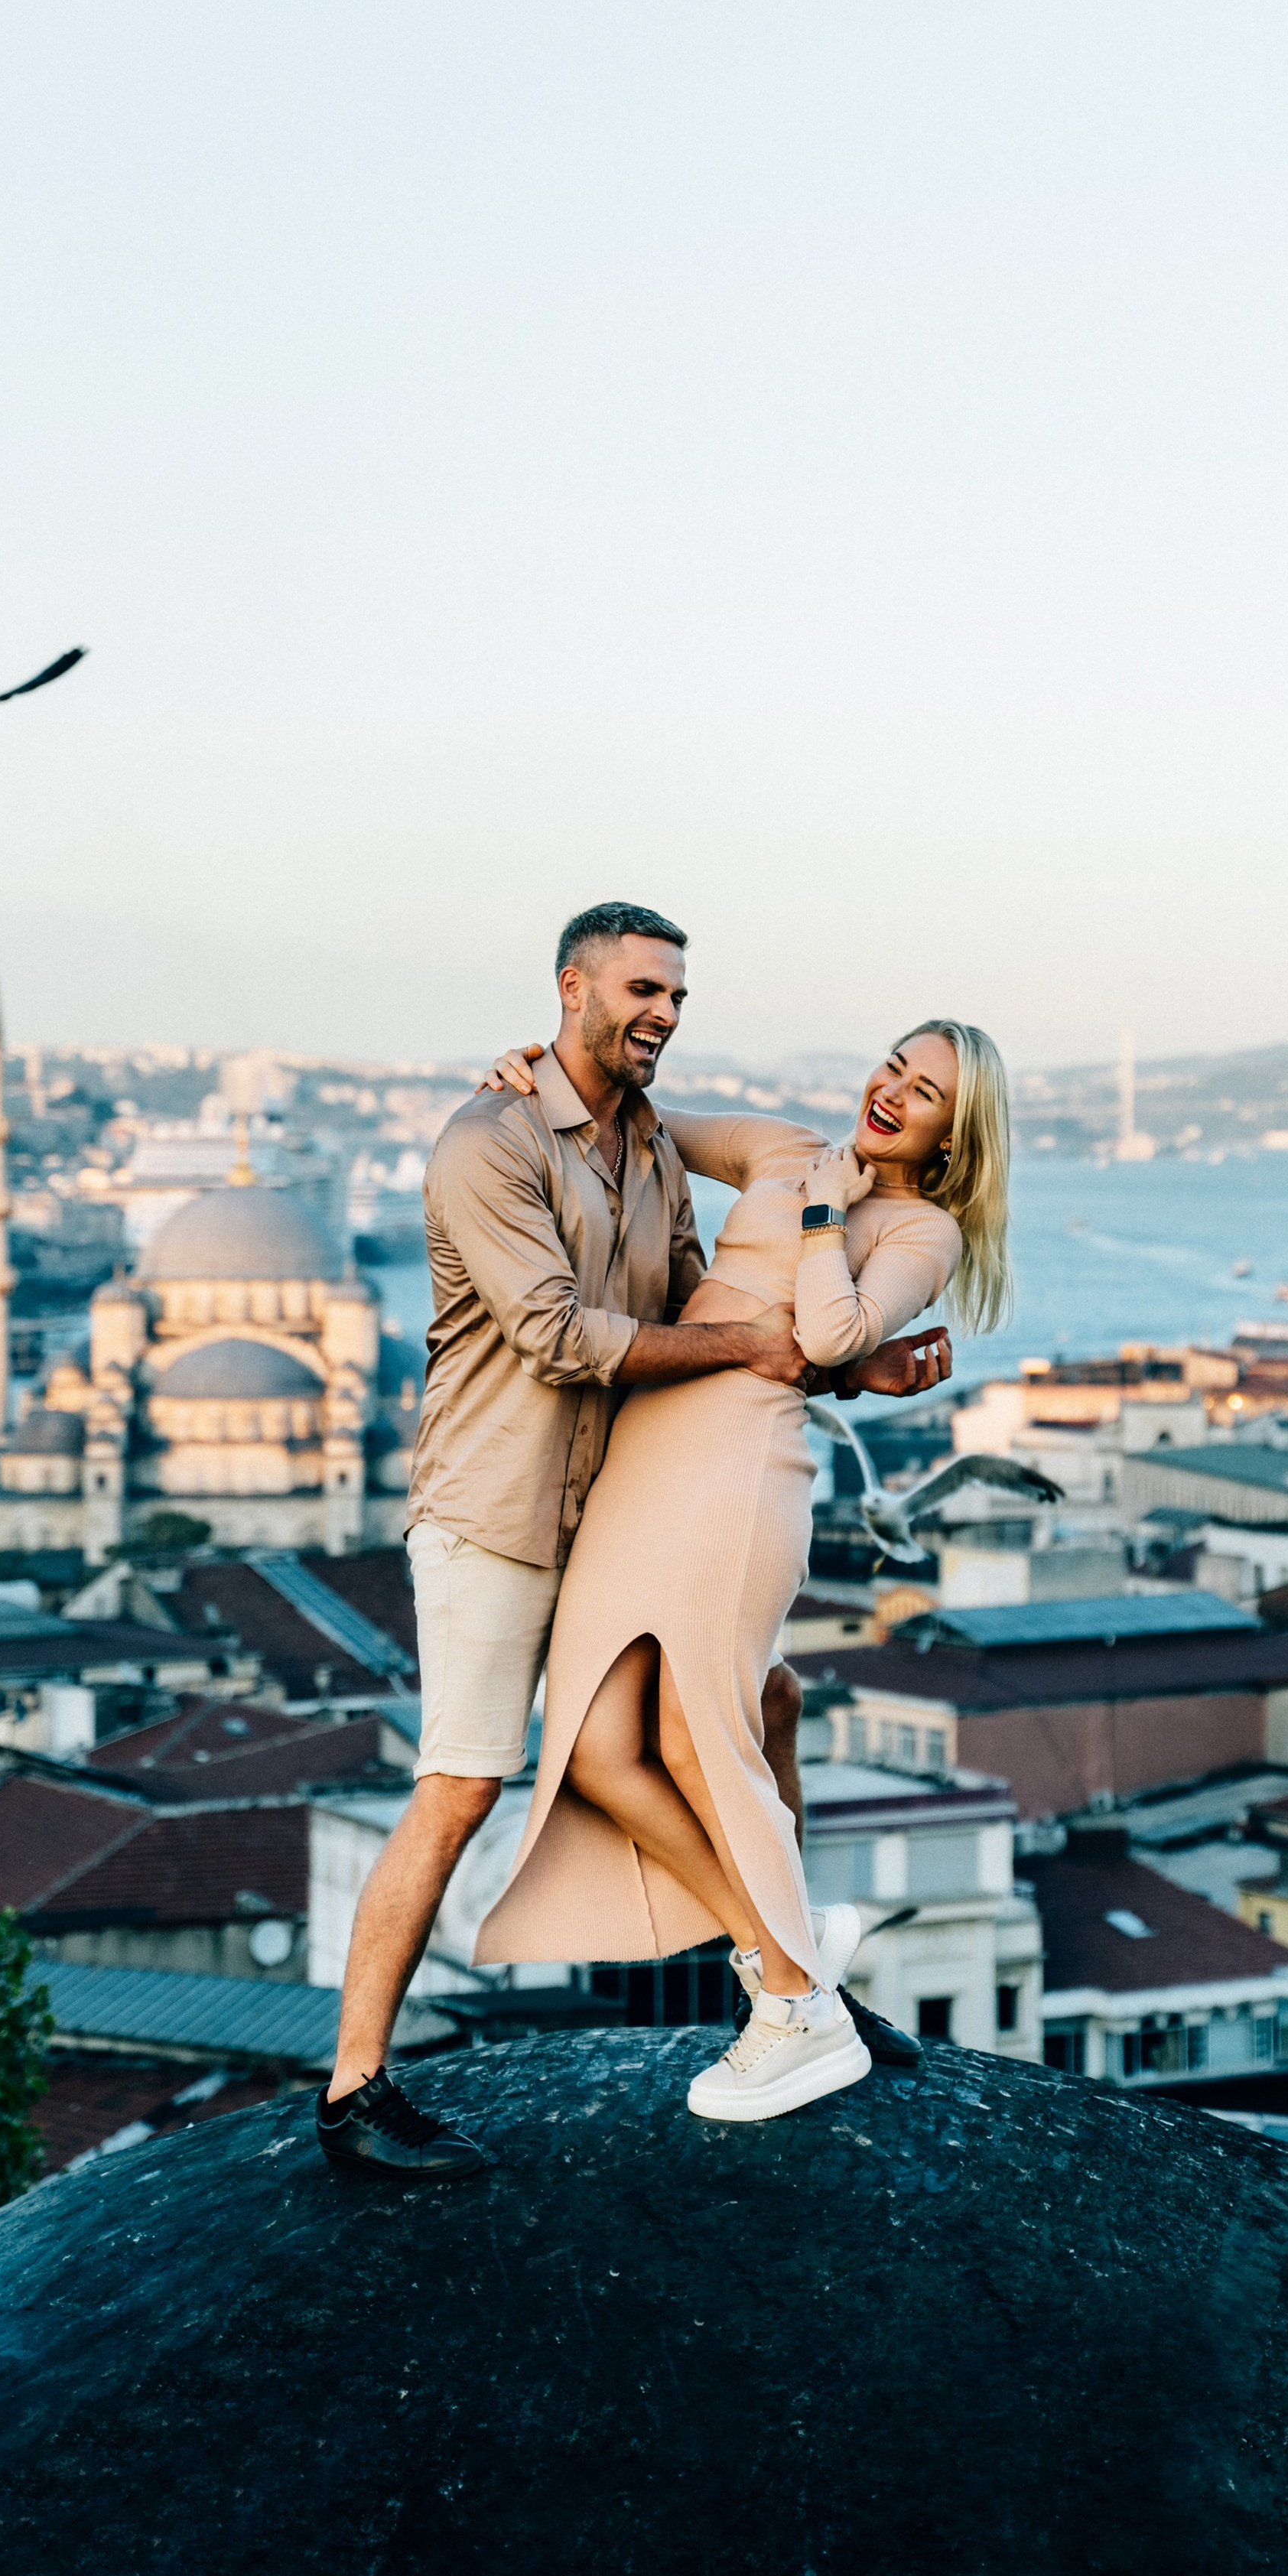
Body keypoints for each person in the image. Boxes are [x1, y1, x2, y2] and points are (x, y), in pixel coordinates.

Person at [315, 903, 947, 2181]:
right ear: (573, 987)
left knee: (762, 1697)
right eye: (643, 989)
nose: (661, 1011)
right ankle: (354, 2086)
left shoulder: (654, 1150)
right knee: (462, 1784)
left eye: (677, 997)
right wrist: (778, 1345)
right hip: (499, 1512)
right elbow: (560, 1335)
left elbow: (693, 1314)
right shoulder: (488, 1139)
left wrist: (844, 1372)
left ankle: (795, 1978)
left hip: (620, 1501)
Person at [473, 1014, 1012, 2123]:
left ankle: (796, 2003)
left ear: (953, 1138)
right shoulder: (784, 1142)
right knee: (597, 1746)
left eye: (924, 1092)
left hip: (740, 1468)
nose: (892, 1090)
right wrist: (532, 1076)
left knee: (691, 1734)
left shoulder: (922, 1232)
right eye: (893, 1064)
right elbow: (640, 1116)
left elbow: (823, 1333)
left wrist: (823, 1209)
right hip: (648, 1449)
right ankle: (792, 1961)